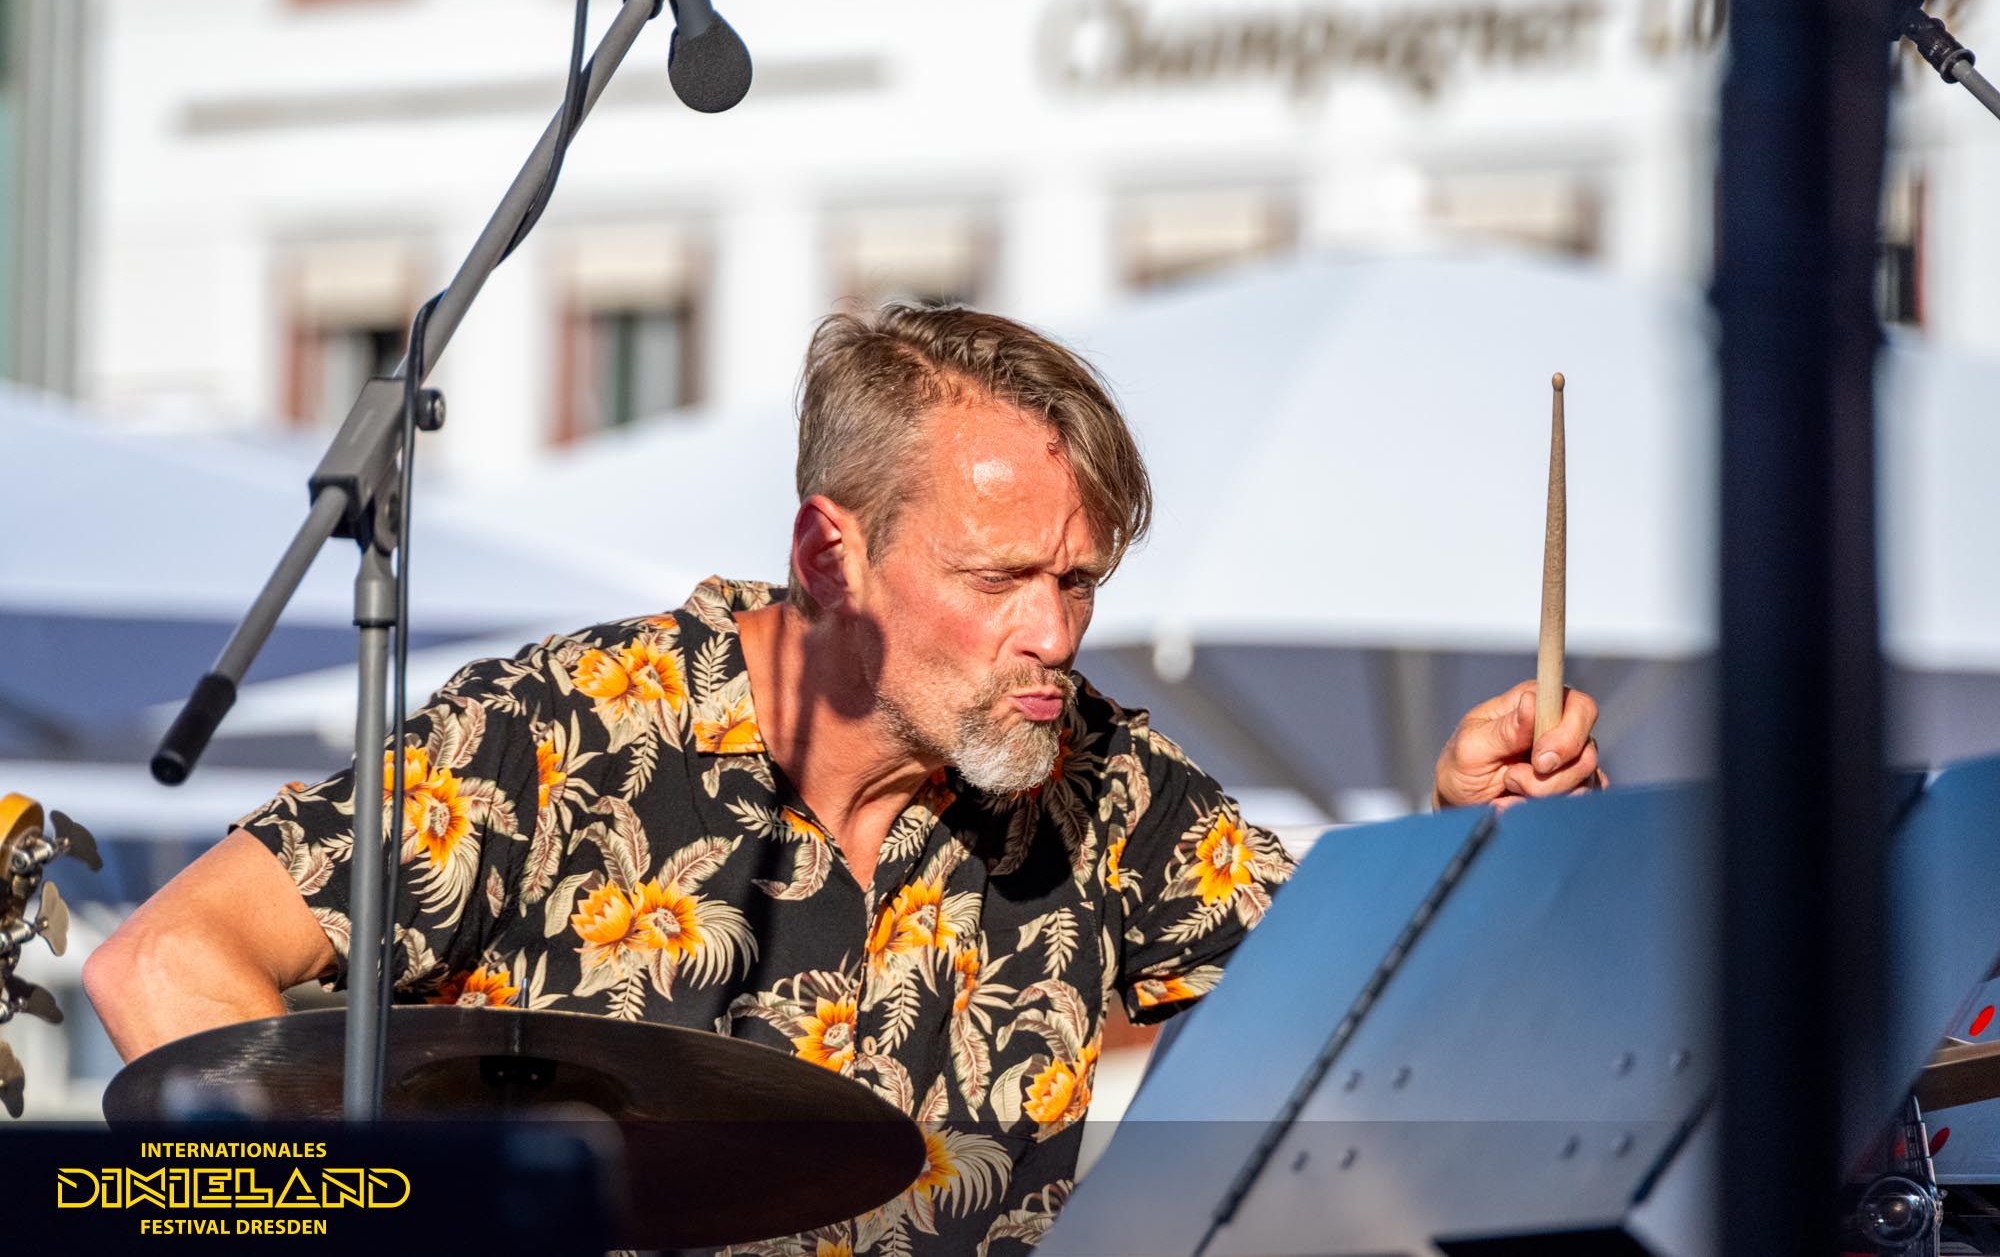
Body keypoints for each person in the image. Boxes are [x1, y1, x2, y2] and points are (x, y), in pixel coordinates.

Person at [85, 304, 1602, 1255]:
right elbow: (165, 963)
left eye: (1078, 580)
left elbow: (1366, 1003)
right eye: (999, 577)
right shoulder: (554, 736)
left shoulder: (1103, 788)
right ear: (830, 553)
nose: (1053, 634)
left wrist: (1464, 842)